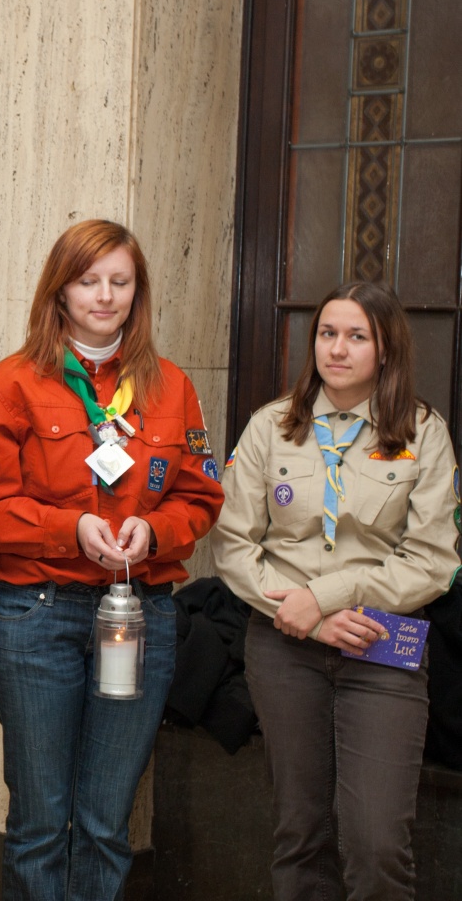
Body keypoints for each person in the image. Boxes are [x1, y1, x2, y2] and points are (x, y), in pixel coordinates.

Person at [0, 219, 224, 901]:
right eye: (88, 281)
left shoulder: (173, 387)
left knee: (105, 824)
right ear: (60, 290)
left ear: (138, 292)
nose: (104, 296)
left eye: (120, 282)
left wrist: (154, 533)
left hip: (140, 619)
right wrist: (71, 529)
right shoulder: (10, 385)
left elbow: (200, 496)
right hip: (37, 618)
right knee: (40, 824)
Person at [213, 281, 457, 901]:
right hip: (284, 646)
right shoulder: (272, 427)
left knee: (377, 842)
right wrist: (304, 615)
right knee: (300, 833)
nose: (337, 349)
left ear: (386, 348)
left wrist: (328, 597)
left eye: (357, 336)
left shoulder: (423, 432)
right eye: (327, 333)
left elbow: (432, 561)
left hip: (382, 647)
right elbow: (234, 545)